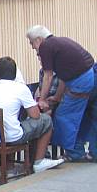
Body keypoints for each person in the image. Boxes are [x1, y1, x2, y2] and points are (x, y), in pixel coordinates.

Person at [26, 25, 97, 162]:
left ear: (39, 39)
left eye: (32, 43)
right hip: (91, 77)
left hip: (81, 82)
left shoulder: (46, 46)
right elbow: (63, 77)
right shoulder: (60, 42)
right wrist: (58, 97)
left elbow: (48, 76)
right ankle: (93, 152)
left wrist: (42, 99)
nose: (33, 47)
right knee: (86, 116)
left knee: (63, 116)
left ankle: (74, 153)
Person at [0, 57, 63, 173]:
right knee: (45, 120)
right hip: (10, 138)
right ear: (15, 73)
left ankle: (11, 165)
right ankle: (39, 162)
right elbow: (35, 115)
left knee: (14, 124)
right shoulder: (20, 88)